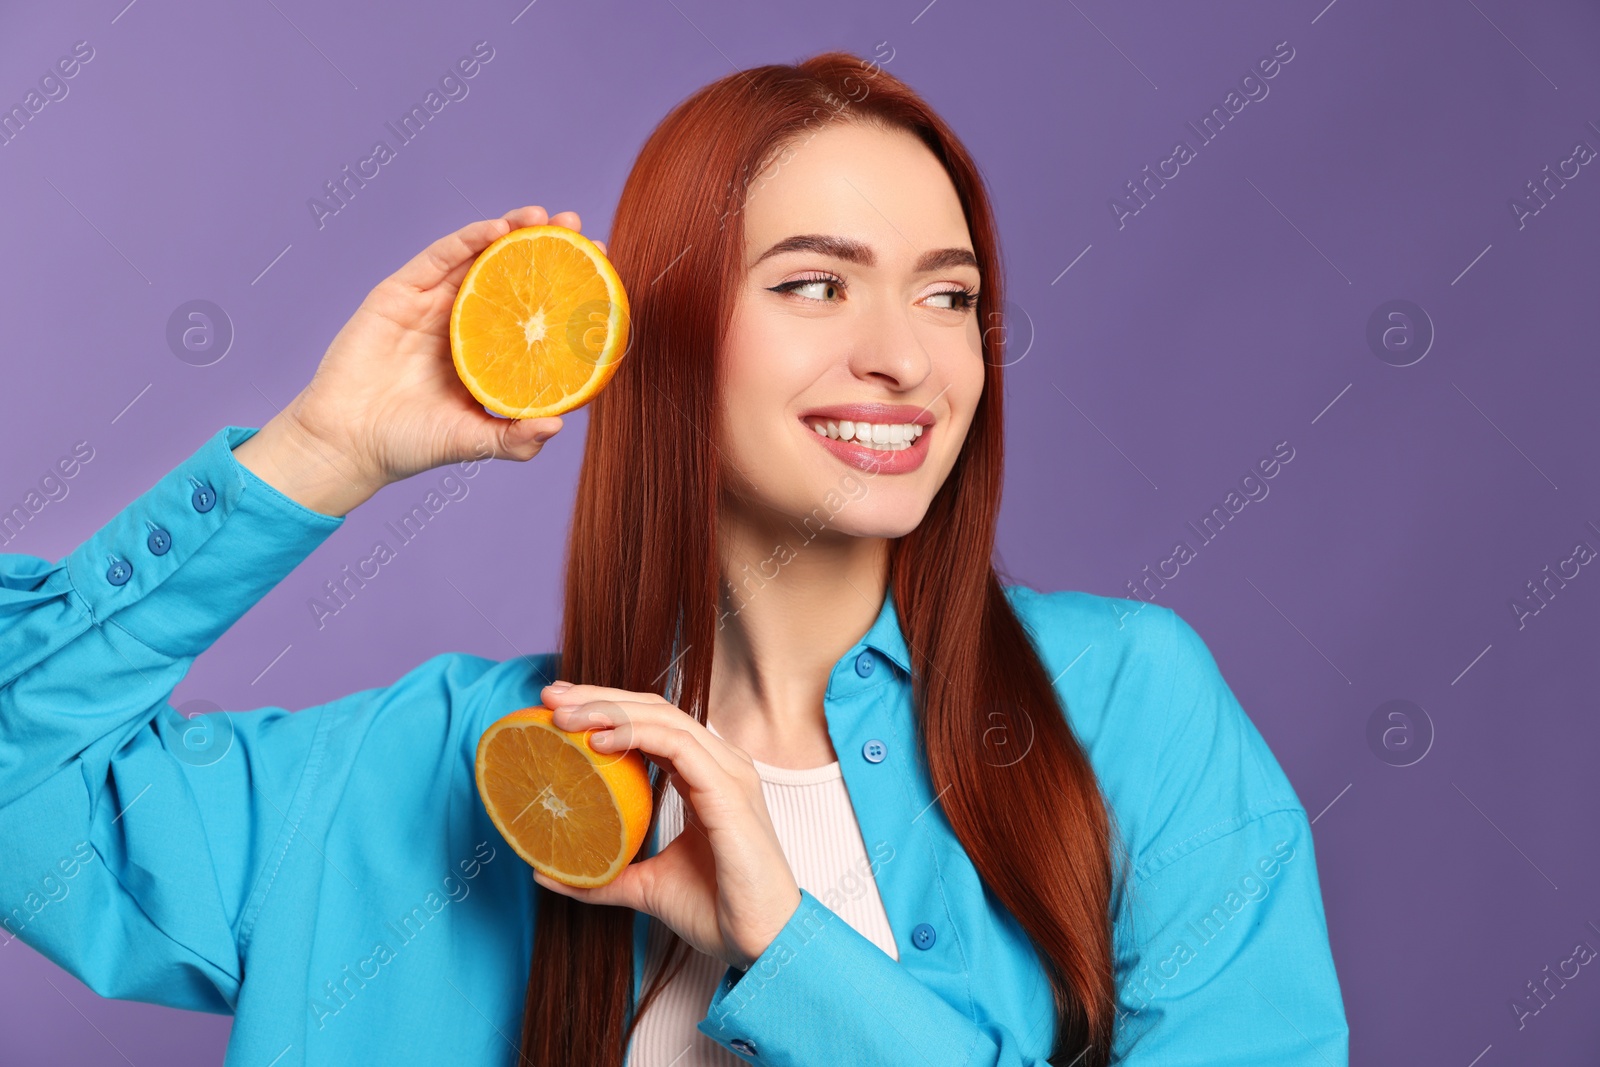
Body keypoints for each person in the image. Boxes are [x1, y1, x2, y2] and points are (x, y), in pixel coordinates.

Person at [0, 51, 1348, 1066]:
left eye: (950, 295)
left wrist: (787, 949)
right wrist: (318, 453)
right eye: (816, 283)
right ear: (672, 333)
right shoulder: (421, 783)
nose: (906, 352)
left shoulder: (1125, 709)